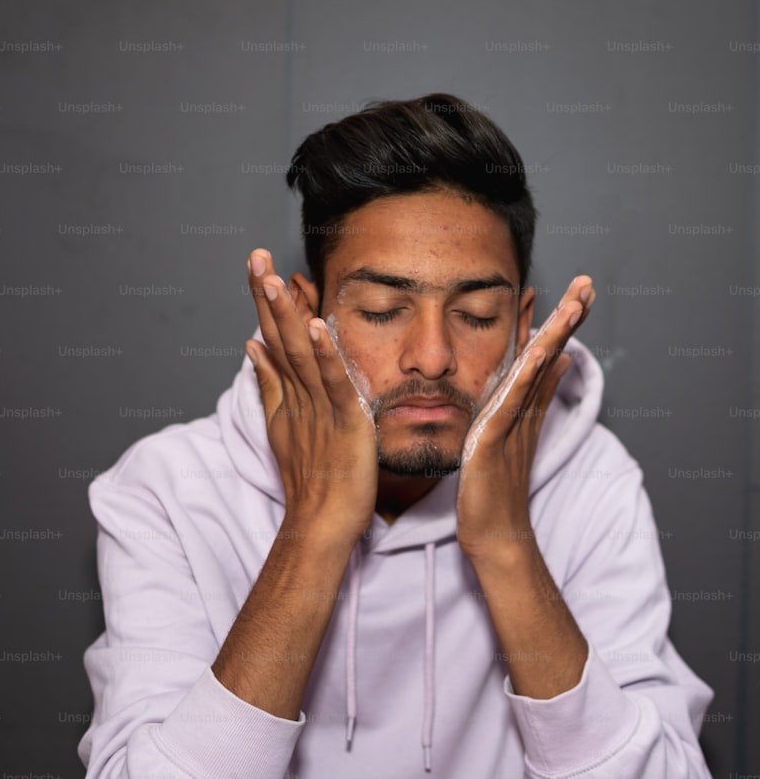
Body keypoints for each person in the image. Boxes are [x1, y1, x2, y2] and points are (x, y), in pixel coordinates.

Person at [78, 92, 714, 778]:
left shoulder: (592, 484)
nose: (432, 356)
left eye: (474, 313)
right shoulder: (167, 490)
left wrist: (507, 547)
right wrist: (316, 530)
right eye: (383, 310)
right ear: (304, 313)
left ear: (524, 326)